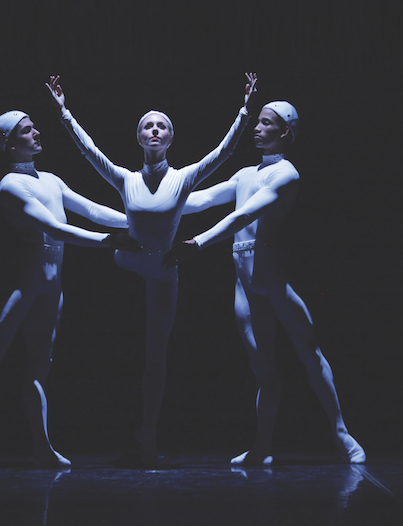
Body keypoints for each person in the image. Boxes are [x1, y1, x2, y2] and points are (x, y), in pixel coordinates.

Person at [46, 73, 257, 466]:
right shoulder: (125, 178)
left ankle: (149, 434)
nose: (155, 130)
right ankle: (113, 431)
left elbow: (223, 153)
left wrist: (244, 112)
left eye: (162, 126)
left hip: (163, 271)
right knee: (124, 351)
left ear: (170, 138)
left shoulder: (184, 177)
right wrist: (64, 113)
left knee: (156, 356)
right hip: (126, 268)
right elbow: (90, 153)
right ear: (140, 138)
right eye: (148, 126)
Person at [164, 101, 366, 465]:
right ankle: (262, 446)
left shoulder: (286, 174)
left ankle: (341, 433)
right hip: (244, 283)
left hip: (273, 280)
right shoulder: (245, 174)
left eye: (265, 123)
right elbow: (203, 199)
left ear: (284, 131)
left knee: (309, 354)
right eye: (257, 122)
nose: (257, 128)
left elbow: (245, 212)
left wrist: (199, 242)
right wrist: (153, 203)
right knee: (263, 371)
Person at [0, 110, 139, 468]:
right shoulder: (11, 185)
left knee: (39, 366)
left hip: (52, 283)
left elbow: (91, 210)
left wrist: (143, 220)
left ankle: (41, 446)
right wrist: (112, 242)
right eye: (27, 131)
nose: (36, 134)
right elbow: (57, 229)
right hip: (23, 280)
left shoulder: (50, 179)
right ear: (10, 143)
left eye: (34, 128)